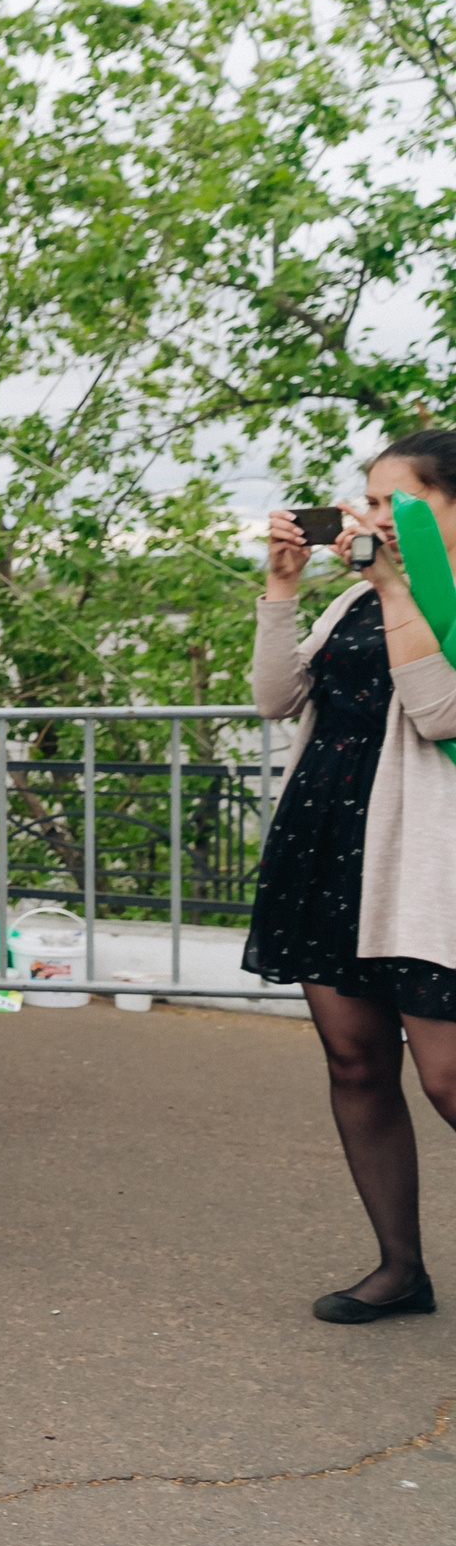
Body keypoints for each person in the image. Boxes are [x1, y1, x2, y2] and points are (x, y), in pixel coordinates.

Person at [250, 431, 456, 1324]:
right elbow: (274, 696)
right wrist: (285, 588)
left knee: (448, 1076)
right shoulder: (352, 604)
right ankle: (400, 1268)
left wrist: (398, 586)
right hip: (330, 846)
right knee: (357, 1061)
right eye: (367, 501)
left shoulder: (419, 596)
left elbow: (439, 708)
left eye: (393, 501)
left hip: (425, 861)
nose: (370, 518)